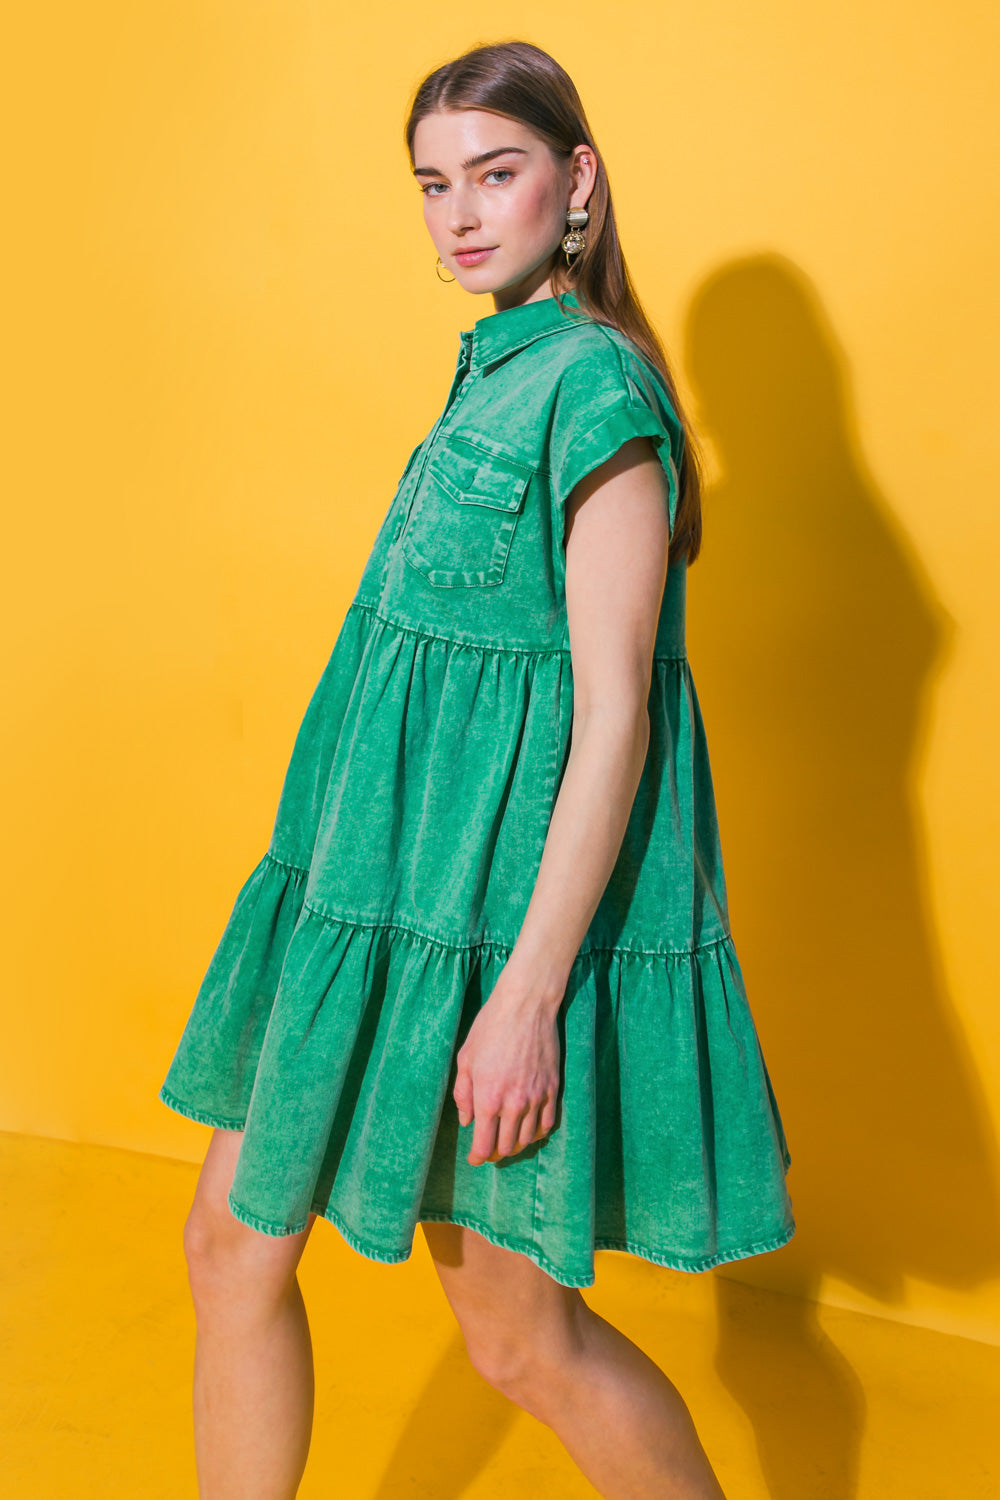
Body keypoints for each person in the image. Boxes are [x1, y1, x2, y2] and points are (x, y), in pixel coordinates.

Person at [159, 39, 795, 1500]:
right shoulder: (496, 367)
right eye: (433, 184)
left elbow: (617, 718)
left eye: (495, 174)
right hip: (372, 906)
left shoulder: (596, 390)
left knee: (520, 1345)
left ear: (577, 181)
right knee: (228, 1251)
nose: (458, 214)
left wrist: (525, 1002)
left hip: (494, 940)